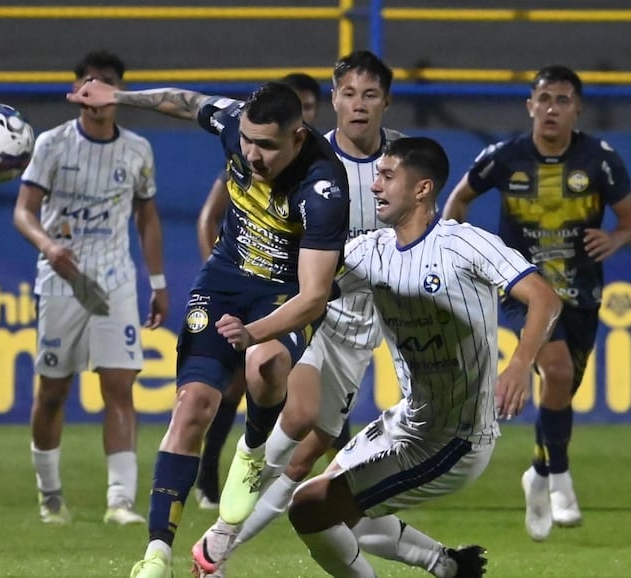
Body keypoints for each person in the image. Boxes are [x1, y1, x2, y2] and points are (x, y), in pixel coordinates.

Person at [67, 79, 349, 577]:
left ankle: (253, 450)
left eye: (267, 146)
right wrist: (118, 98)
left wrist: (255, 331)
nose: (254, 155)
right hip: (222, 281)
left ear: (298, 138)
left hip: (282, 292)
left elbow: (314, 296)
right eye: (248, 142)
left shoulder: (323, 187)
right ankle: (156, 554)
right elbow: (186, 100)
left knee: (264, 364)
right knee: (192, 406)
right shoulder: (234, 125)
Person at [289, 136, 563, 578]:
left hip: (455, 439)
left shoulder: (466, 245)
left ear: (422, 189)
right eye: (376, 175)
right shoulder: (371, 251)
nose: (375, 186)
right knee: (333, 505)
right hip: (406, 419)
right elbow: (307, 289)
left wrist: (518, 364)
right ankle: (449, 565)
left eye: (387, 176)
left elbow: (545, 299)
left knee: (309, 507)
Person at [190, 50, 405, 577]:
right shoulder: (299, 156)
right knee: (294, 417)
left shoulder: (403, 161)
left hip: (359, 325)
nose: (358, 106)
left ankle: (214, 544)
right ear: (331, 101)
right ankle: (219, 540)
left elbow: (417, 237)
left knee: (310, 453)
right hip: (300, 311)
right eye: (348, 94)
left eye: (369, 94)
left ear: (385, 102)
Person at [442, 64, 631, 542]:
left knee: (562, 388)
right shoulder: (504, 157)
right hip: (525, 286)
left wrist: (614, 239)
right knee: (555, 371)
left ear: (577, 109)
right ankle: (561, 481)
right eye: (544, 99)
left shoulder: (600, 159)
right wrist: (463, 252)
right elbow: (458, 201)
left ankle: (538, 471)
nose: (552, 108)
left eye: (563, 100)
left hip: (582, 291)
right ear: (529, 106)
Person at [13, 49, 168, 526]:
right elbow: (23, 211)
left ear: (119, 92)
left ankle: (120, 501)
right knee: (53, 391)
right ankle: (50, 493)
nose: (97, 92)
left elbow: (147, 216)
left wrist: (157, 283)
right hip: (62, 281)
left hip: (115, 280)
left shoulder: (138, 150)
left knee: (119, 386)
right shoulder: (53, 145)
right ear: (77, 90)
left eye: (107, 83)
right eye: (89, 82)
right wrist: (49, 247)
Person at [194, 72, 323, 510]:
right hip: (260, 290)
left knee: (314, 412)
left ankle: (266, 478)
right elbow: (209, 216)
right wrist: (222, 274)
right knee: (238, 384)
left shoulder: (323, 174)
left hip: (313, 294)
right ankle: (212, 474)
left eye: (309, 106)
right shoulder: (251, 159)